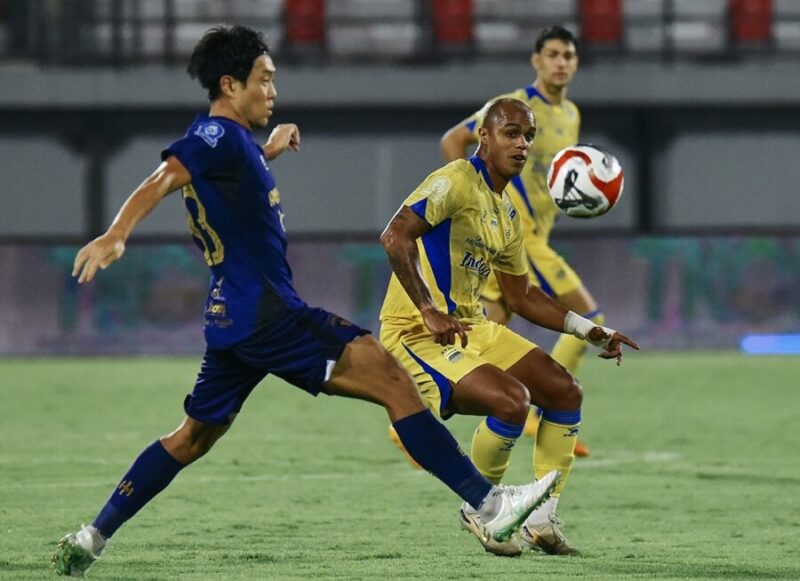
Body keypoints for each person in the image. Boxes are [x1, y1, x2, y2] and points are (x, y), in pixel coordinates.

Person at [51, 26, 561, 577]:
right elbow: (166, 174)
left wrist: (267, 152)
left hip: (231, 316)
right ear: (231, 84)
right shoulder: (216, 137)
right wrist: (117, 233)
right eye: (264, 80)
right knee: (393, 380)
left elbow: (227, 183)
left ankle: (92, 536)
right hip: (270, 312)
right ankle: (489, 505)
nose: (273, 91)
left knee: (192, 437)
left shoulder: (236, 146)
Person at [379, 97, 639, 556]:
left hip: (472, 326)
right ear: (484, 137)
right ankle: (483, 509)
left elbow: (521, 297)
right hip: (416, 329)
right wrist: (427, 308)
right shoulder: (455, 179)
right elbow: (395, 235)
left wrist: (588, 330)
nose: (522, 144)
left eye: (529, 136)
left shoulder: (507, 213)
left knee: (564, 391)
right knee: (511, 401)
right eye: (511, 133)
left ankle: (540, 520)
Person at [440, 26, 597, 457]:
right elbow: (454, 139)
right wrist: (474, 198)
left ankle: (414, 418)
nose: (561, 62)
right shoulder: (515, 106)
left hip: (529, 236)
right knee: (588, 316)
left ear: (576, 63)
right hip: (518, 235)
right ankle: (549, 410)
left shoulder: (571, 115)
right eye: (553, 54)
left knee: (487, 333)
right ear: (536, 61)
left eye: (568, 55)